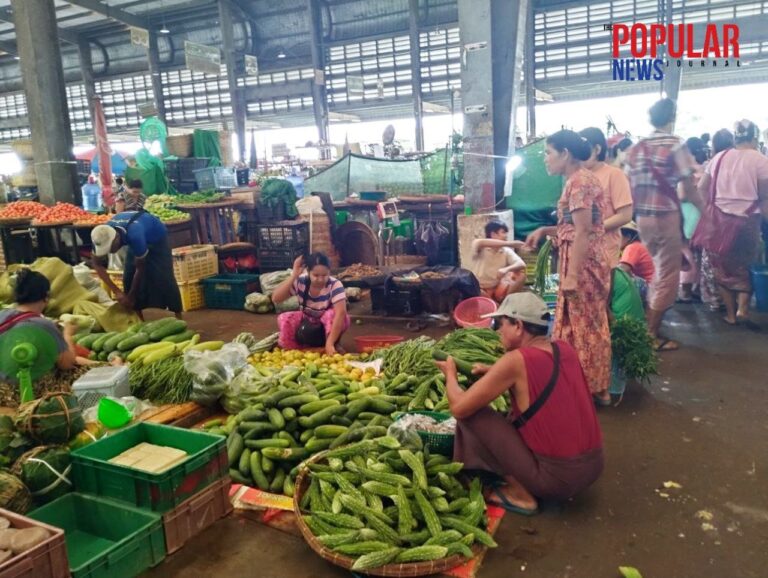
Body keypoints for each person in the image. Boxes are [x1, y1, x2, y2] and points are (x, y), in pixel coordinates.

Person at [435, 293, 603, 515]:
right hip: (593, 467)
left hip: (556, 481)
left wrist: (451, 375)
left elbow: (459, 407)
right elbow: (541, 379)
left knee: (472, 414)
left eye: (500, 323)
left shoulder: (515, 361)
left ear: (518, 326)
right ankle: (525, 480)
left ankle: (521, 494)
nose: (497, 331)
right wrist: (491, 371)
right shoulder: (565, 349)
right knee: (509, 415)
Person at [526, 130, 612, 405]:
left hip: (583, 264)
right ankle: (582, 385)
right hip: (580, 258)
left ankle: (593, 389)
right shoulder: (576, 180)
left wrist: (573, 275)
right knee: (577, 324)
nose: (545, 160)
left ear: (565, 153)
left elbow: (585, 231)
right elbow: (575, 226)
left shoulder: (579, 182)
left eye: (548, 153)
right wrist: (544, 229)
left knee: (586, 326)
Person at [624, 98, 696, 352]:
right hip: (665, 217)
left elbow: (628, 183)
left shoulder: (637, 148)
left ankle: (649, 325)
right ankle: (650, 334)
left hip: (642, 218)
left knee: (653, 270)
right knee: (666, 274)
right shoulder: (675, 144)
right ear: (671, 117)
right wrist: (703, 209)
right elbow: (688, 186)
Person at [695, 119, 768, 329]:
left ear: (736, 138)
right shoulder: (760, 160)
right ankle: (743, 307)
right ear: (754, 137)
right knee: (745, 265)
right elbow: (764, 197)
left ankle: (730, 315)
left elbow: (701, 189)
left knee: (722, 268)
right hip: (748, 221)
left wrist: (708, 211)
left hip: (719, 221)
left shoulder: (718, 157)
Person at [90, 210, 182, 320]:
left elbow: (140, 267)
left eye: (110, 247)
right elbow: (96, 264)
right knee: (128, 275)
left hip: (157, 237)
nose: (109, 251)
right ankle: (138, 319)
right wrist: (117, 292)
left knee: (164, 276)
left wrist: (131, 296)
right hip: (137, 232)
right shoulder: (100, 235)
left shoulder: (134, 235)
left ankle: (178, 316)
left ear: (117, 239)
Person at [0, 270, 82, 384]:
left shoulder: (2, 315)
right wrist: (67, 334)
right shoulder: (43, 325)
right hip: (26, 392)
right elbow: (68, 364)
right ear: (46, 296)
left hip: (4, 392)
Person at [272, 253, 350, 355]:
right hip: (307, 321)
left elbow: (340, 313)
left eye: (324, 275)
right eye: (316, 275)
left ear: (329, 272)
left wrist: (329, 343)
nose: (320, 279)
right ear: (308, 271)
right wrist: (294, 275)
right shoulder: (301, 281)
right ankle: (294, 349)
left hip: (328, 324)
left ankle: (333, 343)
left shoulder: (335, 284)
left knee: (333, 314)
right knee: (284, 318)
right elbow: (276, 298)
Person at [580, 127, 633, 266]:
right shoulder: (577, 177)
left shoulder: (614, 175)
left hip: (604, 252)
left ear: (597, 150)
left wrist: (593, 230)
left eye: (584, 150)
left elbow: (625, 215)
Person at [678, 137, 708, 302]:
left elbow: (682, 195)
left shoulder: (687, 171)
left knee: (687, 253)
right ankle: (699, 289)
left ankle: (686, 291)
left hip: (688, 216)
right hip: (702, 216)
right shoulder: (706, 169)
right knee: (700, 255)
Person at [471, 221, 526, 303]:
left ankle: (504, 302)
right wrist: (510, 243)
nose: (506, 235)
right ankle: (496, 305)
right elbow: (479, 242)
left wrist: (506, 269)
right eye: (503, 232)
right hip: (480, 288)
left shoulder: (506, 250)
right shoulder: (480, 246)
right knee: (480, 295)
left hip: (497, 288)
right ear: (493, 234)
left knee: (520, 275)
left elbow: (522, 264)